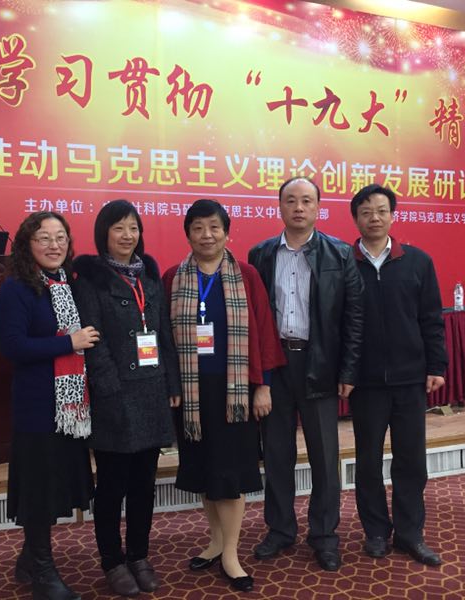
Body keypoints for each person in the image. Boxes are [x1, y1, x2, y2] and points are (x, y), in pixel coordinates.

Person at [162, 200, 285, 593]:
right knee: (204, 471)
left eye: (214, 227)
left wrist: (263, 385)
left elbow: (264, 329)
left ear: (227, 232)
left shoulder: (246, 275)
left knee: (229, 475)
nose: (207, 235)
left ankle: (230, 553)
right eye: (198, 227)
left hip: (235, 392)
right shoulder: (173, 277)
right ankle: (215, 541)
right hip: (192, 393)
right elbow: (164, 338)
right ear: (188, 233)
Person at [248, 177, 364, 572]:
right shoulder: (261, 254)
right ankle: (280, 529)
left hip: (320, 365)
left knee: (324, 457)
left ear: (318, 207)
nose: (299, 208)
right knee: (276, 453)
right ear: (279, 207)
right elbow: (254, 318)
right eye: (291, 201)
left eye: (307, 201)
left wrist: (348, 369)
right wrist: (258, 375)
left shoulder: (340, 254)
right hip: (276, 364)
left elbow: (354, 318)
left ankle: (324, 535)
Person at [74, 200, 181, 598]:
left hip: (151, 391)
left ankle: (138, 555)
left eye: (133, 228)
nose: (127, 235)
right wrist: (109, 389)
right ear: (104, 233)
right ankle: (112, 561)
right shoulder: (90, 279)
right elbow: (93, 342)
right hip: (115, 396)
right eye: (119, 228)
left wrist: (171, 383)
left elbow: (163, 334)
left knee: (143, 485)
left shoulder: (149, 276)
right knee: (112, 486)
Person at [0, 211, 100, 600]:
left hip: (70, 406)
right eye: (44, 238)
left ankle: (28, 559)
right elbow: (13, 347)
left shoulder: (68, 282)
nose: (54, 245)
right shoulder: (16, 288)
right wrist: (69, 342)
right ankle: (42, 570)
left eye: (60, 238)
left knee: (55, 484)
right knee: (39, 489)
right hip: (38, 406)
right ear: (27, 244)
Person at [348, 184, 447, 567]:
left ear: (393, 215)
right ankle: (375, 531)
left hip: (409, 380)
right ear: (356, 218)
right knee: (367, 462)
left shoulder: (418, 262)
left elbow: (431, 319)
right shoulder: (344, 262)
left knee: (411, 461)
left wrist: (436, 366)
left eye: (381, 210)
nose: (374, 218)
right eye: (366, 212)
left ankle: (410, 533)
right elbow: (338, 324)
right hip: (365, 383)